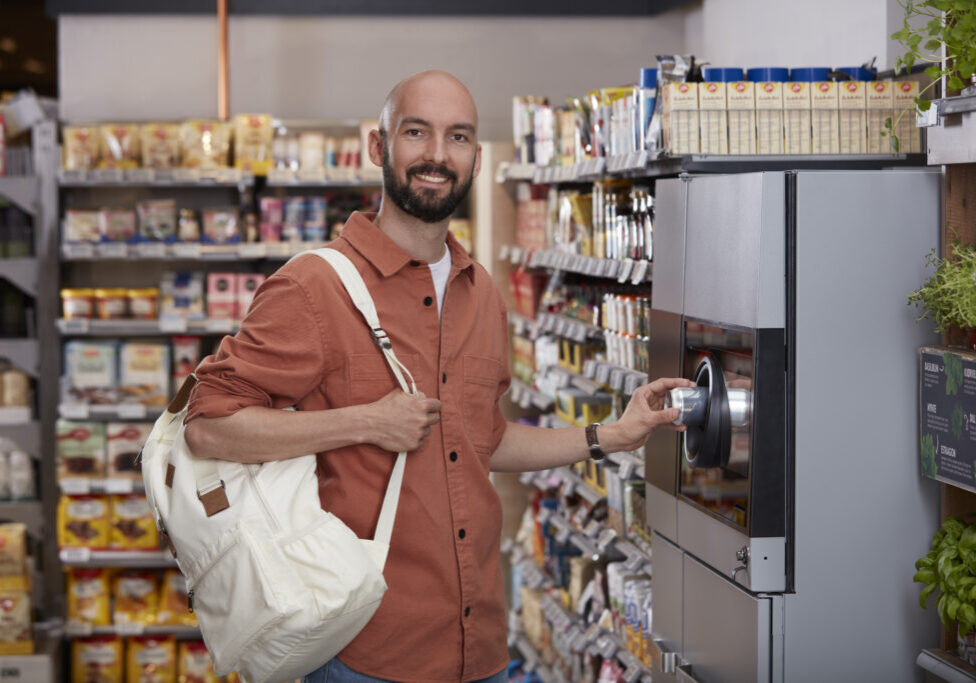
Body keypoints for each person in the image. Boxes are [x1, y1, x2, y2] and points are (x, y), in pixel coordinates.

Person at [183, 70, 693, 683]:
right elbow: (208, 426)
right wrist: (365, 422)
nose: (435, 155)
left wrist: (613, 435)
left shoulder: (480, 293)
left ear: (475, 159)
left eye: (456, 138)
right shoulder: (314, 287)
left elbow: (485, 441)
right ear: (379, 147)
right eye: (416, 132)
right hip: (363, 649)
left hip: (478, 648)